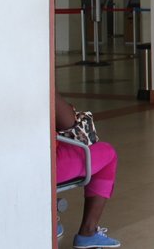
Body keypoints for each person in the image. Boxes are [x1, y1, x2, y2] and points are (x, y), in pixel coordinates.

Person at [55, 93, 120, 248]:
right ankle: (88, 232)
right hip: (43, 164)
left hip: (5, 162)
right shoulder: (38, 80)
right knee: (107, 153)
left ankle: (49, 219)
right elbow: (68, 122)